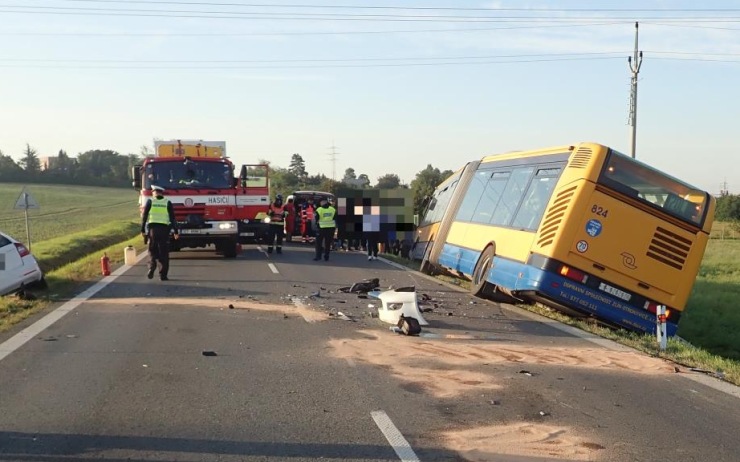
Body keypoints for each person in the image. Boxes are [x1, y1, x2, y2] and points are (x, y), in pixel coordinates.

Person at [140, 185, 179, 281]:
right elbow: (172, 218)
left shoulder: (150, 201)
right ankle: (163, 275)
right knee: (164, 253)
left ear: (154, 192)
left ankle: (152, 267)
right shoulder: (167, 202)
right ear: (162, 193)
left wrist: (142, 230)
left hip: (153, 230)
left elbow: (144, 216)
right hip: (164, 230)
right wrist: (176, 231)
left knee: (152, 250)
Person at [313, 197, 336, 261]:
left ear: (322, 202)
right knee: (328, 243)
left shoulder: (319, 209)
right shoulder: (332, 209)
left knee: (318, 243)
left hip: (321, 228)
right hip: (331, 228)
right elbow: (335, 218)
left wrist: (316, 226)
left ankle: (318, 256)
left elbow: (316, 219)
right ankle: (326, 256)